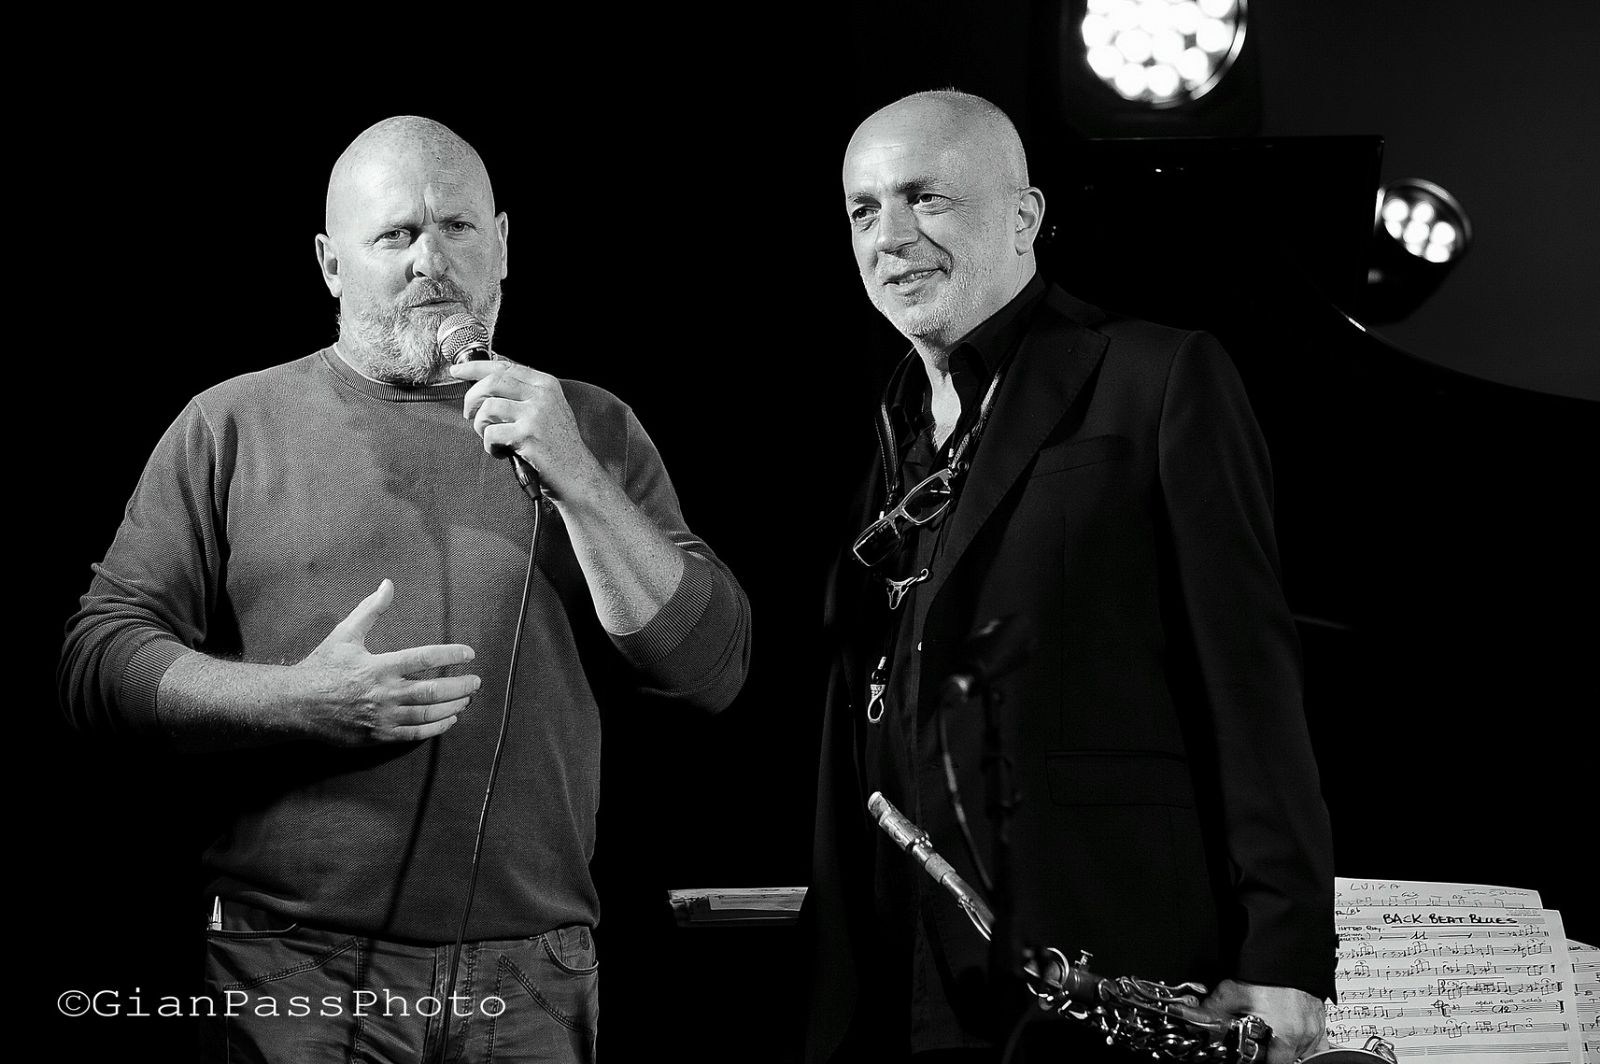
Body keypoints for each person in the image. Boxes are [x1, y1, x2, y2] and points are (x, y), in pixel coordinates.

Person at [58, 115, 751, 1063]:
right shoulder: (231, 424)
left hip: (534, 973)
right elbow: (98, 660)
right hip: (293, 963)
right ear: (330, 264)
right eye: (396, 235)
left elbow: (710, 670)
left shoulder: (588, 425)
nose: (432, 261)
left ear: (502, 245)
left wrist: (580, 482)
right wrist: (296, 700)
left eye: (457, 227)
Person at [804, 91, 1336, 1063]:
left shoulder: (1157, 375)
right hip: (895, 974)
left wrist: (1284, 947)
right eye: (863, 209)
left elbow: (1250, 680)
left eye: (926, 198)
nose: (890, 236)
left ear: (1024, 216)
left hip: (1098, 956)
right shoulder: (883, 429)